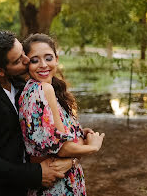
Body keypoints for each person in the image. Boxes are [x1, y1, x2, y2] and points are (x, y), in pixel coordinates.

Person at [0, 30, 73, 196]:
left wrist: (74, 137)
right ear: (0, 71)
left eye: (22, 52)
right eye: (19, 60)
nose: (27, 60)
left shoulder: (21, 81)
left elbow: (39, 128)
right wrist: (35, 174)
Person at [19, 33, 105, 196]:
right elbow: (62, 148)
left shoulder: (38, 89)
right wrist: (92, 147)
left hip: (62, 182)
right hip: (56, 187)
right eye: (35, 60)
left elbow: (55, 140)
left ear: (57, 59)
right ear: (27, 64)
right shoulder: (43, 90)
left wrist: (78, 134)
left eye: (48, 58)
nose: (43, 65)